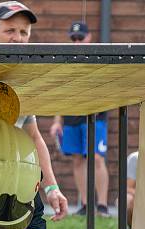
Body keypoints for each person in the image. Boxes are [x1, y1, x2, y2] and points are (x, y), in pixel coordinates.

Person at [0, 1, 68, 221]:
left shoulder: (23, 82)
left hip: (13, 187)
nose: (18, 38)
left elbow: (33, 137)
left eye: (24, 32)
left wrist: (51, 189)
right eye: (10, 30)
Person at [48, 22, 111, 216]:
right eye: (73, 38)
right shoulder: (66, 62)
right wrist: (57, 120)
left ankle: (102, 205)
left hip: (95, 116)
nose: (76, 42)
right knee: (77, 160)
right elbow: (61, 94)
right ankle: (85, 205)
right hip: (71, 118)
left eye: (80, 38)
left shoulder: (99, 59)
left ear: (89, 37)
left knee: (97, 158)